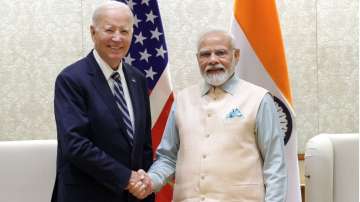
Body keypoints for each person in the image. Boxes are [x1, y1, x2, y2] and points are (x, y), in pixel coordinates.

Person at [128, 30, 287, 202]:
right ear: (198, 59)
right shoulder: (182, 100)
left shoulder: (259, 99)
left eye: (220, 53)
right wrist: (151, 181)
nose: (212, 60)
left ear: (236, 55)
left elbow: (275, 164)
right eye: (205, 54)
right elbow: (168, 157)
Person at [51, 2, 154, 202]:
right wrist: (126, 178)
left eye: (124, 31)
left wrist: (143, 182)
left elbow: (144, 144)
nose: (117, 38)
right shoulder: (71, 79)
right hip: (87, 194)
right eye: (109, 30)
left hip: (134, 196)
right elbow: (75, 144)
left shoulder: (138, 79)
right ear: (93, 32)